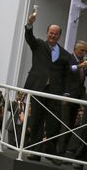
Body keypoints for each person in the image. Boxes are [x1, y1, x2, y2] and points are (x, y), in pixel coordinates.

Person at [23, 11, 71, 163]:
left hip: (55, 93)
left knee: (53, 123)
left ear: (59, 36)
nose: (52, 36)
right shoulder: (38, 45)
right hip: (39, 88)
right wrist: (30, 24)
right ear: (47, 33)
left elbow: (67, 76)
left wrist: (66, 92)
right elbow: (29, 37)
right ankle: (35, 153)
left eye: (56, 34)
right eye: (51, 33)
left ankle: (51, 154)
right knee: (36, 121)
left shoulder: (65, 54)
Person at [58, 41, 87, 154]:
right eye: (82, 50)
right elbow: (67, 70)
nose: (84, 53)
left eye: (86, 51)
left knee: (71, 125)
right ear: (75, 49)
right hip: (67, 96)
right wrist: (80, 66)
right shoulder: (68, 58)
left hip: (78, 97)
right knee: (64, 125)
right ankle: (59, 152)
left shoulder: (83, 63)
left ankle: (66, 151)